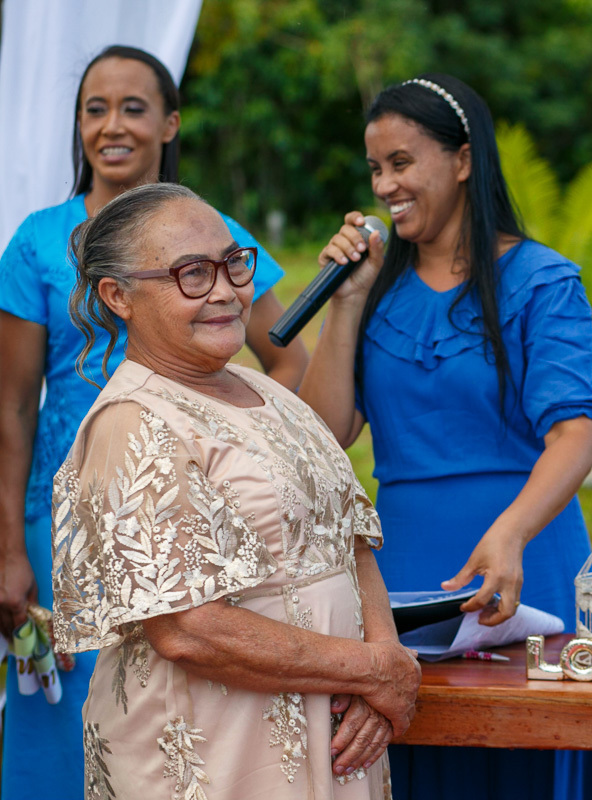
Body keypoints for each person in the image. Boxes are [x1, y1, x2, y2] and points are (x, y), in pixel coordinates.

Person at [298, 74, 592, 800]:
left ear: (464, 160)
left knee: (526, 770)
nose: (385, 185)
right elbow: (321, 437)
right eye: (376, 168)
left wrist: (510, 536)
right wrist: (346, 304)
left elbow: (573, 437)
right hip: (402, 575)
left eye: (403, 163)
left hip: (521, 563)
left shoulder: (542, 281)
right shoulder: (380, 290)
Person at [0, 45, 308, 797]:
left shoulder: (215, 233)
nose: (112, 125)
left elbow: (290, 358)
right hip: (66, 528)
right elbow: (10, 406)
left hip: (201, 521)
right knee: (61, 731)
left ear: (169, 122)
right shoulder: (40, 241)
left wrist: (262, 467)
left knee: (187, 725)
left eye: (133, 107)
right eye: (94, 108)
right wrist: (9, 548)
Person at [50, 181, 420, 799]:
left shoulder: (270, 393)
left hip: (336, 731)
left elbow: (352, 544)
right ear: (119, 297)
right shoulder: (132, 422)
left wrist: (383, 676)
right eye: (191, 273)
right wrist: (373, 669)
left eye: (232, 263)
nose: (224, 290)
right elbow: (187, 628)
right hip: (215, 748)